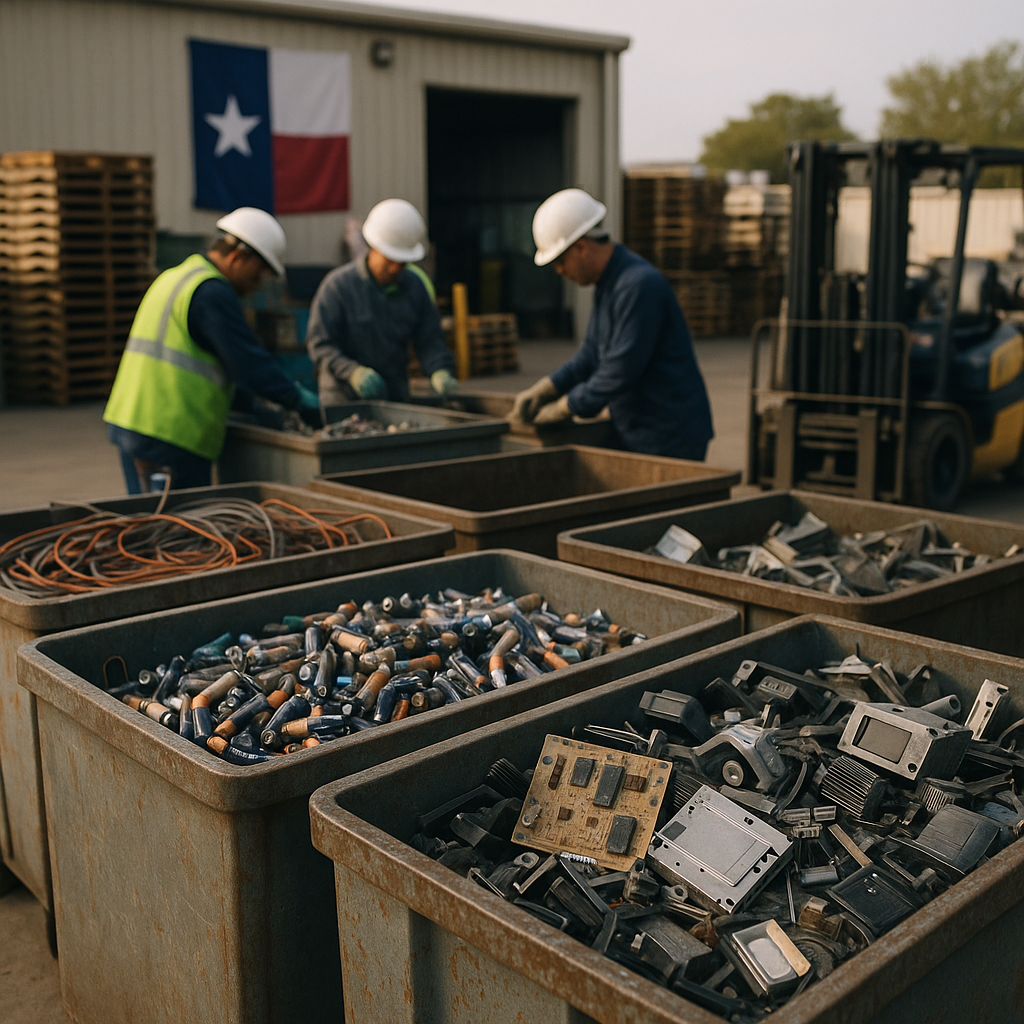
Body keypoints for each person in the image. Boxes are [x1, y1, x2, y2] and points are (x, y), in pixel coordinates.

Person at [104, 207, 322, 493]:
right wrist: (296, 398)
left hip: (135, 422)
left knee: (149, 523)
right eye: (257, 275)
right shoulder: (210, 292)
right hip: (170, 435)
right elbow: (248, 364)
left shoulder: (175, 277)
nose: (257, 287)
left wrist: (250, 406)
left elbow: (207, 360)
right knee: (179, 530)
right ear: (237, 257)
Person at [511, 188, 713, 460]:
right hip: (638, 427)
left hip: (668, 433)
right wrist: (548, 387)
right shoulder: (608, 285)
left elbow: (619, 370)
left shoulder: (639, 285)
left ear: (581, 248)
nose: (559, 271)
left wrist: (566, 406)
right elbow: (590, 354)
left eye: (560, 261)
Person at [306, 198, 458, 405]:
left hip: (394, 397)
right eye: (391, 261)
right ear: (373, 247)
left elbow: (429, 339)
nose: (397, 268)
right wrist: (353, 372)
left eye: (403, 263)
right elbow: (320, 344)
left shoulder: (414, 287)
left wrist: (440, 369)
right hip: (344, 399)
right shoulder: (338, 288)